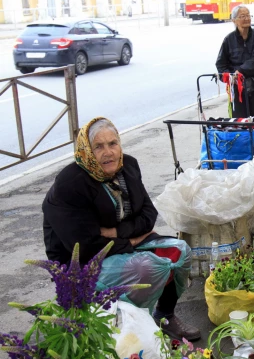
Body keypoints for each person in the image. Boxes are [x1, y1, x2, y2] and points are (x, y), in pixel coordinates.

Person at [42, 118, 200, 341]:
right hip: (82, 262)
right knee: (147, 267)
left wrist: (117, 233)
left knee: (180, 251)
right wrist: (133, 241)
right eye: (99, 146)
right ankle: (130, 327)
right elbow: (86, 246)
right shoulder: (71, 184)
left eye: (113, 143)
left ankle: (164, 315)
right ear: (87, 150)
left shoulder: (129, 166)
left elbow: (148, 214)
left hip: (119, 243)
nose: (109, 152)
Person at [216, 5, 254, 117]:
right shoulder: (229, 39)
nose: (246, 18)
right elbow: (220, 63)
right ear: (234, 20)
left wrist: (240, 71)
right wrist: (229, 76)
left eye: (248, 15)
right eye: (242, 16)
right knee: (238, 120)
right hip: (236, 86)